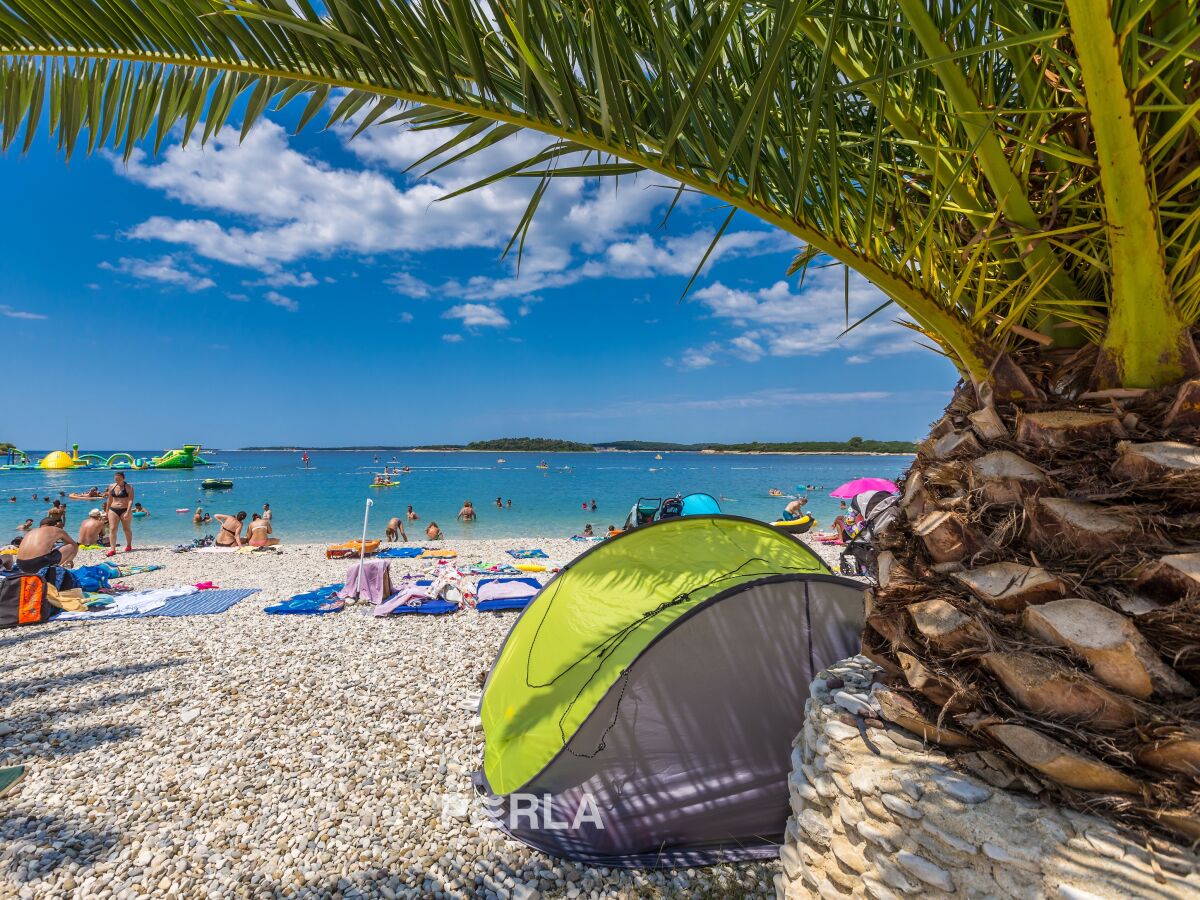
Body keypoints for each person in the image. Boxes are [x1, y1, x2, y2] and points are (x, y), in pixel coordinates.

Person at [104, 471, 135, 557]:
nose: (117, 481)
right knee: (112, 528)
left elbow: (130, 500)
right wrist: (106, 512)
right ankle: (112, 549)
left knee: (126, 529)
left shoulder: (129, 487)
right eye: (116, 479)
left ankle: (129, 545)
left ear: (123, 478)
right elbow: (109, 500)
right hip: (113, 509)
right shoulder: (111, 486)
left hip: (125, 509)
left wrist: (128, 512)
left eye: (119, 479)